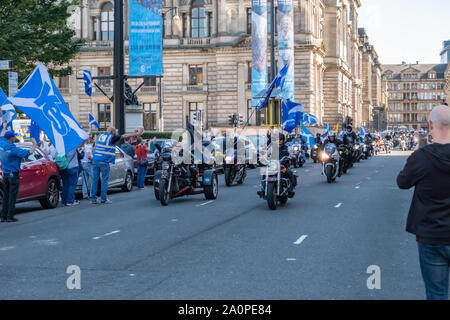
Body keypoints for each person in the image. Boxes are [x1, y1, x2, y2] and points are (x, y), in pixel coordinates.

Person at [397, 105, 450, 300]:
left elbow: (402, 182)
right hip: (433, 235)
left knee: (437, 293)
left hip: (432, 235)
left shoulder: (421, 157)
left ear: (430, 125)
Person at [90, 127, 143, 204]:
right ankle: (103, 199)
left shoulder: (100, 136)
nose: (115, 135)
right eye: (115, 133)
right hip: (104, 161)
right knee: (105, 180)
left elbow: (94, 145)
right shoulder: (111, 137)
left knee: (95, 180)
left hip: (95, 160)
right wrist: (136, 134)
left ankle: (93, 198)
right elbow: (124, 136)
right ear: (112, 132)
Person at [0, 132, 37, 222]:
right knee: (12, 196)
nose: (15, 138)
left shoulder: (2, 144)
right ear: (11, 138)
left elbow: (1, 135)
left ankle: (3, 216)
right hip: (13, 175)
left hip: (5, 174)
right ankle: (10, 216)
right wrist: (34, 143)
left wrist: (4, 126)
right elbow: (30, 152)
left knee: (5, 196)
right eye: (14, 137)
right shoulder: (14, 149)